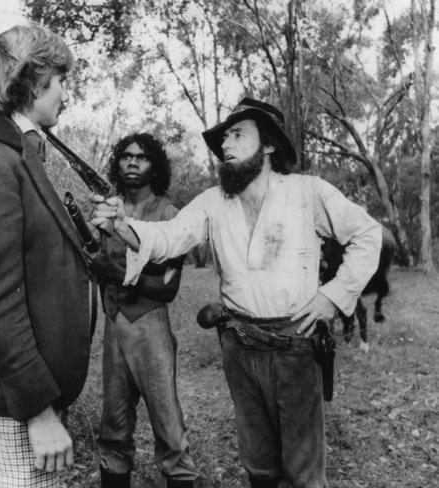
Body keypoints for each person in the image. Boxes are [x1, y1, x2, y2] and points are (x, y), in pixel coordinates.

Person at [92, 98, 382, 488]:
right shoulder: (214, 201)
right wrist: (125, 225)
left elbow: (367, 234)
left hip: (295, 346)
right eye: (224, 136)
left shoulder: (307, 192)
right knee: (259, 466)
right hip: (239, 346)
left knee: (303, 472)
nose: (225, 144)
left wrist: (333, 296)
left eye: (237, 134)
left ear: (269, 145)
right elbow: (171, 235)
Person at [0, 24, 92, 488]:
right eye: (60, 81)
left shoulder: (21, 152)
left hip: (38, 397)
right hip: (21, 405)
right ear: (32, 82)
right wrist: (37, 410)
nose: (66, 94)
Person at [89, 134, 199, 488]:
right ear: (117, 163)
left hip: (151, 328)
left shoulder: (169, 214)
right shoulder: (107, 210)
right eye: (126, 156)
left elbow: (167, 287)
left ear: (156, 167)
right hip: (114, 326)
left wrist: (118, 274)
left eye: (142, 157)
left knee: (169, 428)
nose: (132, 163)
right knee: (113, 429)